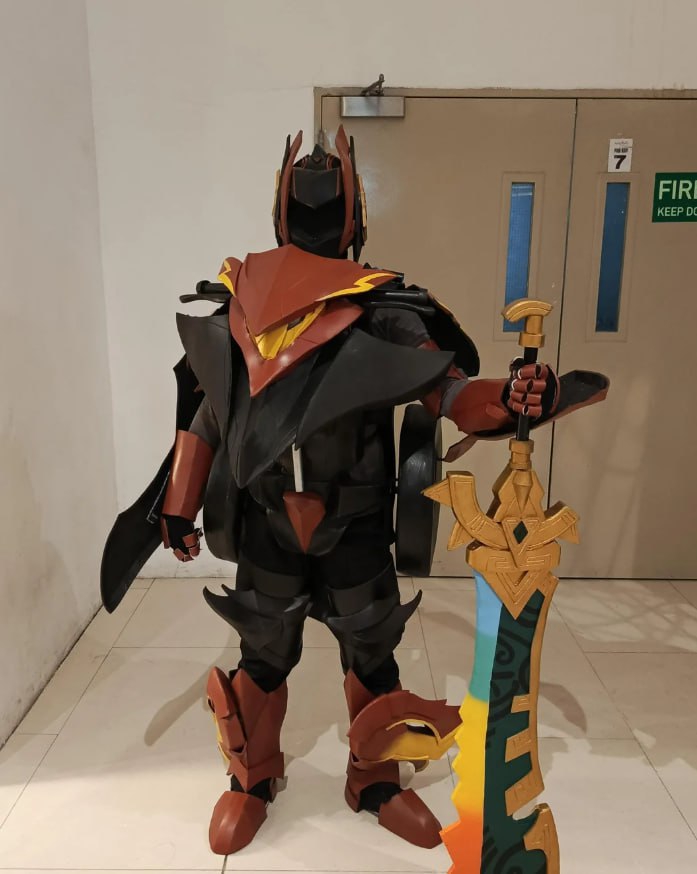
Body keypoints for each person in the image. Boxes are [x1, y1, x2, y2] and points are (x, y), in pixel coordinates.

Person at [145, 127, 561, 854]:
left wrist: (507, 397)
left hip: (357, 518)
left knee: (370, 653)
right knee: (262, 651)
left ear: (353, 213)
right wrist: (179, 502)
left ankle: (373, 782)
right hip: (269, 517)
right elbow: (209, 410)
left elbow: (448, 391)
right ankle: (252, 778)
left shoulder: (383, 306)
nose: (315, 216)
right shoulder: (241, 304)